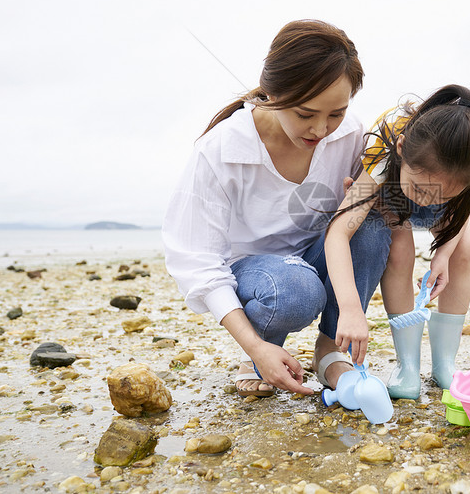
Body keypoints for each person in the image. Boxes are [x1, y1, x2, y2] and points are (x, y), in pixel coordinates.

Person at [162, 20, 391, 398]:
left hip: (319, 252)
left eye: (335, 113)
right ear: (270, 92)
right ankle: (261, 352)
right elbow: (197, 262)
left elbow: (370, 209)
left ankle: (330, 350)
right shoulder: (222, 150)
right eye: (305, 114)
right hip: (260, 273)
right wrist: (255, 347)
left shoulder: (349, 134)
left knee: (373, 220)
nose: (321, 129)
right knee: (294, 288)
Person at [324, 84, 470, 399]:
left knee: (464, 251)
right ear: (401, 148)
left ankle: (444, 364)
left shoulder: (468, 162)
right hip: (390, 196)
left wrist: (443, 255)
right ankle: (408, 366)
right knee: (400, 252)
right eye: (422, 188)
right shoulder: (389, 138)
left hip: (448, 205)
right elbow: (338, 231)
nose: (428, 201)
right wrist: (350, 308)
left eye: (443, 193)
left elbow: (459, 212)